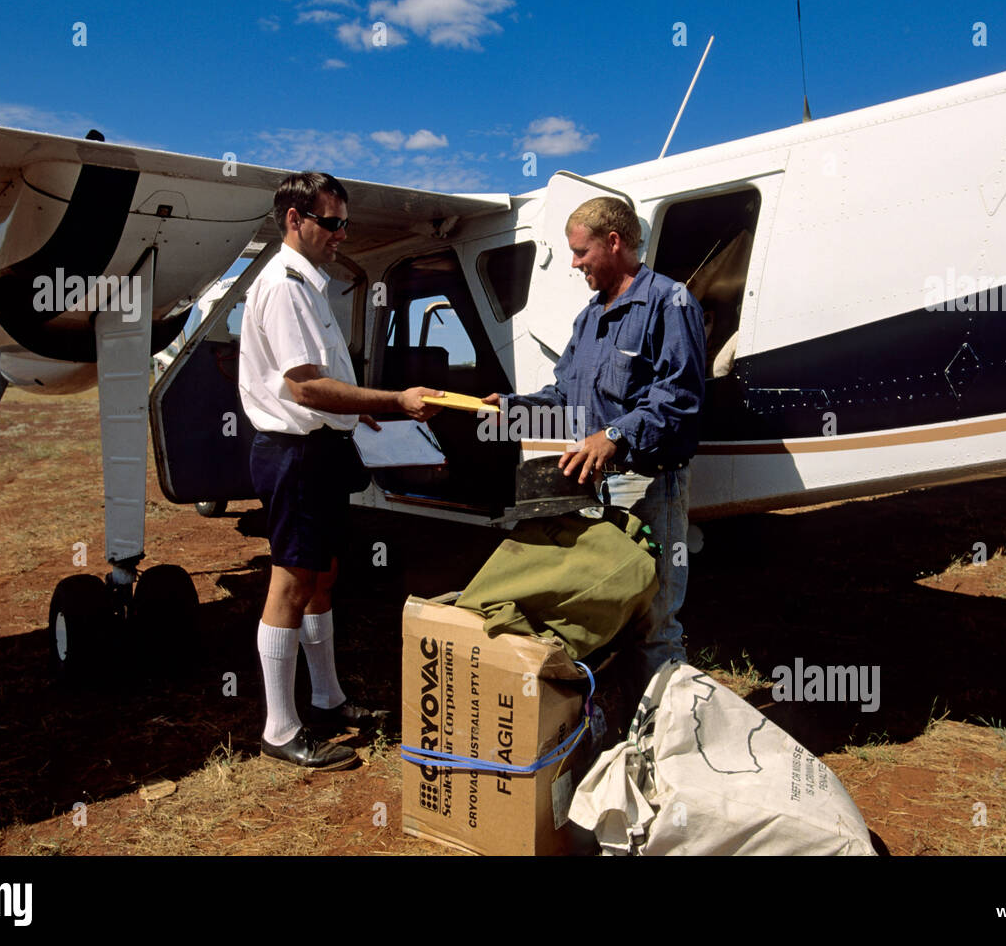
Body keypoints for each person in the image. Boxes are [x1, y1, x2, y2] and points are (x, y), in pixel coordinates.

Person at [238, 171, 441, 769]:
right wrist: (393, 400)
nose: (341, 235)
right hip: (294, 453)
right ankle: (279, 729)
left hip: (322, 449)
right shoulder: (283, 285)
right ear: (294, 220)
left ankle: (326, 698)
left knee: (322, 577)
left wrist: (360, 417)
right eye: (331, 223)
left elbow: (329, 387)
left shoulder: (309, 283)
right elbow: (305, 388)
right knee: (291, 583)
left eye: (345, 223)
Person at [483, 196, 705, 683]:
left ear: (614, 241)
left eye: (581, 251)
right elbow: (564, 395)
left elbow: (680, 397)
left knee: (655, 616)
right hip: (595, 488)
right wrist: (508, 407)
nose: (574, 262)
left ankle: (667, 738)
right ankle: (618, 723)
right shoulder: (589, 318)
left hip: (650, 486)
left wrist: (614, 435)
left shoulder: (670, 301)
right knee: (605, 606)